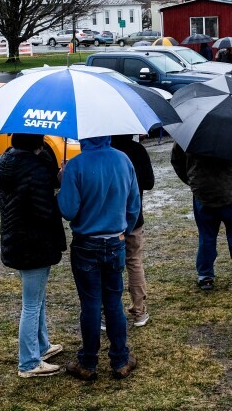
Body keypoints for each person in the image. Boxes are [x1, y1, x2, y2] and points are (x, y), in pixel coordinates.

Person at [58, 136, 140, 381]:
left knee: (91, 305)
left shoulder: (75, 165)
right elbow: (134, 205)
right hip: (116, 241)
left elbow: (68, 210)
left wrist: (64, 182)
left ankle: (88, 362)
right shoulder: (123, 160)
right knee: (114, 302)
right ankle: (120, 360)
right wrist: (124, 231)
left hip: (86, 244)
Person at [0, 133, 67, 378]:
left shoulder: (8, 163)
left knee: (37, 298)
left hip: (18, 240)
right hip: (33, 243)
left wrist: (53, 178)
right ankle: (28, 362)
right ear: (38, 144)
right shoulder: (33, 170)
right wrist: (62, 188)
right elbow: (45, 211)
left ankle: (42, 346)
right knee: (32, 303)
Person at [171, 143, 232, 291]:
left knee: (206, 236)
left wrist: (193, 180)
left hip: (203, 193)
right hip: (230, 191)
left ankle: (205, 277)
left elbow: (176, 160)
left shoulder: (188, 132)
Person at [110, 134, 155, 327]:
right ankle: (139, 310)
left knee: (109, 266)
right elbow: (149, 182)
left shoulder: (107, 153)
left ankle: (109, 311)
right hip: (134, 218)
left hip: (109, 220)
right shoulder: (137, 151)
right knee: (134, 261)